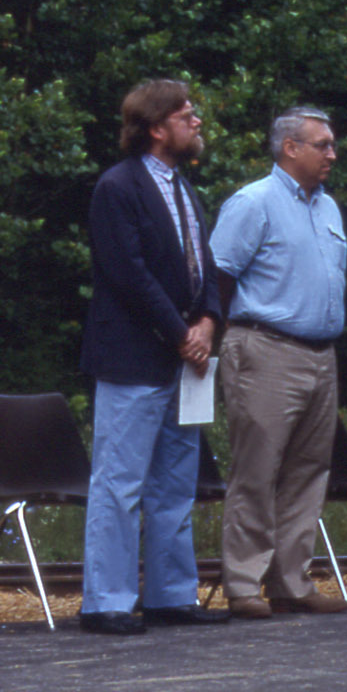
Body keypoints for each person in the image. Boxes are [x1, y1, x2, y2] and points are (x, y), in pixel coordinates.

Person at [78, 79, 229, 634]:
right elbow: (128, 273)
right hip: (134, 357)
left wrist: (209, 321)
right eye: (186, 115)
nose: (196, 123)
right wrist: (180, 333)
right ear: (155, 127)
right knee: (120, 482)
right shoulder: (117, 188)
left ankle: (170, 594)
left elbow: (204, 266)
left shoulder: (186, 190)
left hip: (185, 360)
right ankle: (108, 602)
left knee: (174, 482)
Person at [210, 107, 347, 619]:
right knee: (257, 468)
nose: (332, 154)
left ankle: (292, 581)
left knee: (309, 471)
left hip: (320, 354)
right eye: (323, 145)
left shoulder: (329, 209)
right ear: (290, 148)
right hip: (266, 347)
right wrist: (226, 340)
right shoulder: (254, 202)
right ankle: (244, 583)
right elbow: (219, 276)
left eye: (332, 145)